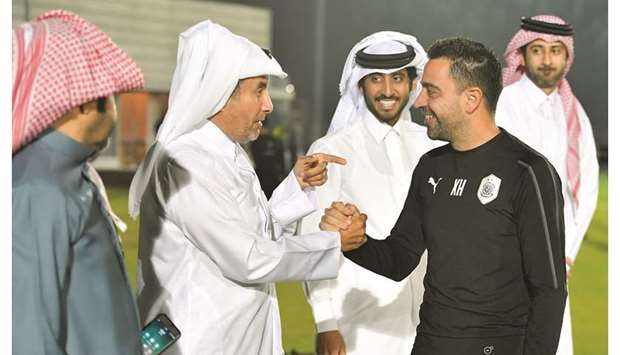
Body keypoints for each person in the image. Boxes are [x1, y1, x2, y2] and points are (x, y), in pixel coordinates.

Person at [128, 20, 366, 355]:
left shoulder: (226, 152)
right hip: (203, 343)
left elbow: (252, 230)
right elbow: (247, 257)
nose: (268, 105)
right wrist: (332, 243)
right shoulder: (184, 162)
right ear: (221, 94)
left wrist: (295, 186)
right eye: (258, 90)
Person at [322, 38, 567, 355]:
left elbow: (549, 290)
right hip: (429, 344)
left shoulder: (528, 172)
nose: (419, 101)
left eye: (431, 91)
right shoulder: (430, 167)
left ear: (471, 99)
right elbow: (399, 259)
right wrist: (355, 241)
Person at [12, 10, 145, 354]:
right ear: (87, 101)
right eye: (109, 93)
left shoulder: (71, 174)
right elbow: (28, 338)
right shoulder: (35, 189)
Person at [300, 31, 435, 355]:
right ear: (360, 84)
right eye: (376, 79)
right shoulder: (331, 150)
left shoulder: (431, 143)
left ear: (412, 83)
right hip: (361, 327)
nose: (388, 90)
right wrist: (326, 324)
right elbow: (313, 240)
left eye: (398, 78)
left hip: (431, 324)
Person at [495, 16, 599, 355]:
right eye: (537, 50)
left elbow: (586, 191)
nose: (547, 59)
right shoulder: (502, 104)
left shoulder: (574, 114)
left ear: (567, 58)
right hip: (505, 258)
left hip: (556, 261)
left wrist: (565, 253)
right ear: (521, 55)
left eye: (556, 51)